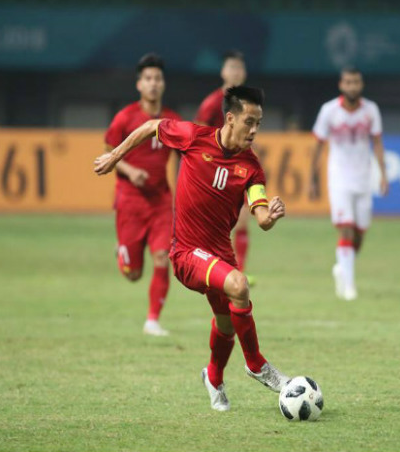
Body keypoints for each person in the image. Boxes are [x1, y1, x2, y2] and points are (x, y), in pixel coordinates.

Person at [95, 86, 289, 412]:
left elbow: (260, 217)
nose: (254, 130)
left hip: (220, 254)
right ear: (230, 118)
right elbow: (151, 126)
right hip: (187, 252)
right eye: (249, 122)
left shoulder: (251, 166)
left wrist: (270, 215)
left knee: (227, 324)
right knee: (239, 285)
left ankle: (213, 378)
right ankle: (257, 364)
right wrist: (115, 157)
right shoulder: (193, 136)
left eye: (259, 123)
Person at [104, 53, 181, 337]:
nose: (153, 84)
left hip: (161, 201)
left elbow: (184, 155)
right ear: (139, 84)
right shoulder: (125, 118)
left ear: (163, 84)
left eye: (158, 78)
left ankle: (152, 320)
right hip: (130, 201)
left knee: (163, 257)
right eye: (148, 78)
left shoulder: (171, 120)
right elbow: (107, 152)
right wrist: (130, 170)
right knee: (133, 274)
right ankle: (123, 255)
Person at [309, 66, 389, 301]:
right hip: (339, 177)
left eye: (356, 82)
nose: (352, 86)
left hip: (364, 178)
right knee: (345, 227)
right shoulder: (329, 110)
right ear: (341, 85)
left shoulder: (371, 110)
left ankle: (342, 269)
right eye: (348, 82)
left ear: (360, 84)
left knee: (359, 233)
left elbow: (377, 143)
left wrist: (383, 174)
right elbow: (318, 145)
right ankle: (350, 287)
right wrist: (313, 179)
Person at [195, 50, 252, 280]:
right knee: (216, 225)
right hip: (214, 170)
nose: (236, 72)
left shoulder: (248, 103)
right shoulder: (211, 104)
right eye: (232, 68)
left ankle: (240, 271)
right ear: (223, 72)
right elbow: (197, 137)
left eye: (240, 68)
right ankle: (211, 269)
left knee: (244, 218)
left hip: (239, 169)